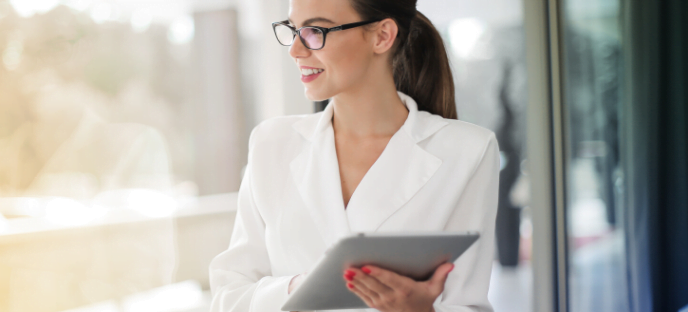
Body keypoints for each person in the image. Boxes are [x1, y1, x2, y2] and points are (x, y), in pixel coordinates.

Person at [208, 0, 500, 311]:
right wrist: (301, 287)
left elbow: (468, 304)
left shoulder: (467, 151)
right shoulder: (271, 143)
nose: (295, 50)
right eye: (293, 29)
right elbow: (229, 296)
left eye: (314, 30)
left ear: (382, 36)